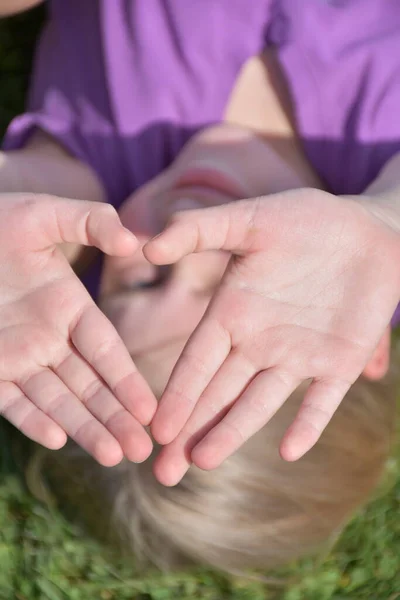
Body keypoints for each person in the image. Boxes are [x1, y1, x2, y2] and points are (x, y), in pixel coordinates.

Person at [0, 0, 399, 572]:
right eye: (233, 274)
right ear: (363, 333)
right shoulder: (376, 228)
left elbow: (29, 194)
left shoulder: (93, 182)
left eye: (144, 280)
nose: (185, 233)